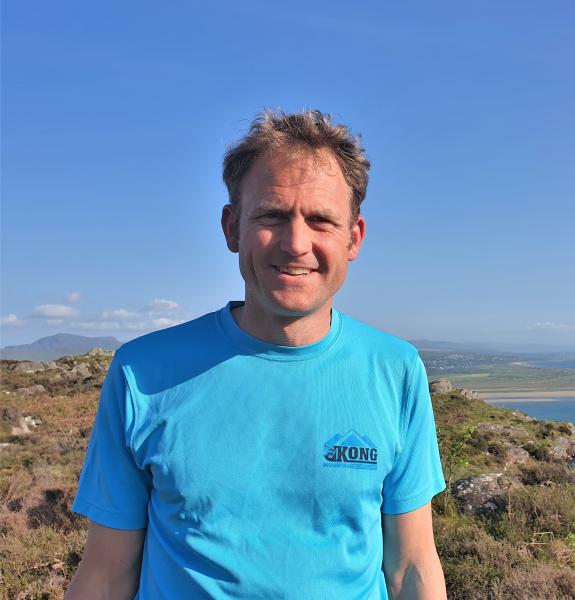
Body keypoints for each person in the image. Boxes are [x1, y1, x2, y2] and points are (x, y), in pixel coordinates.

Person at [66, 110, 447, 599]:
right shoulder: (143, 373)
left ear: (353, 238)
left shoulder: (395, 370)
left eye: (320, 220)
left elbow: (411, 567)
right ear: (232, 228)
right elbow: (106, 573)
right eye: (271, 215)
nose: (295, 244)